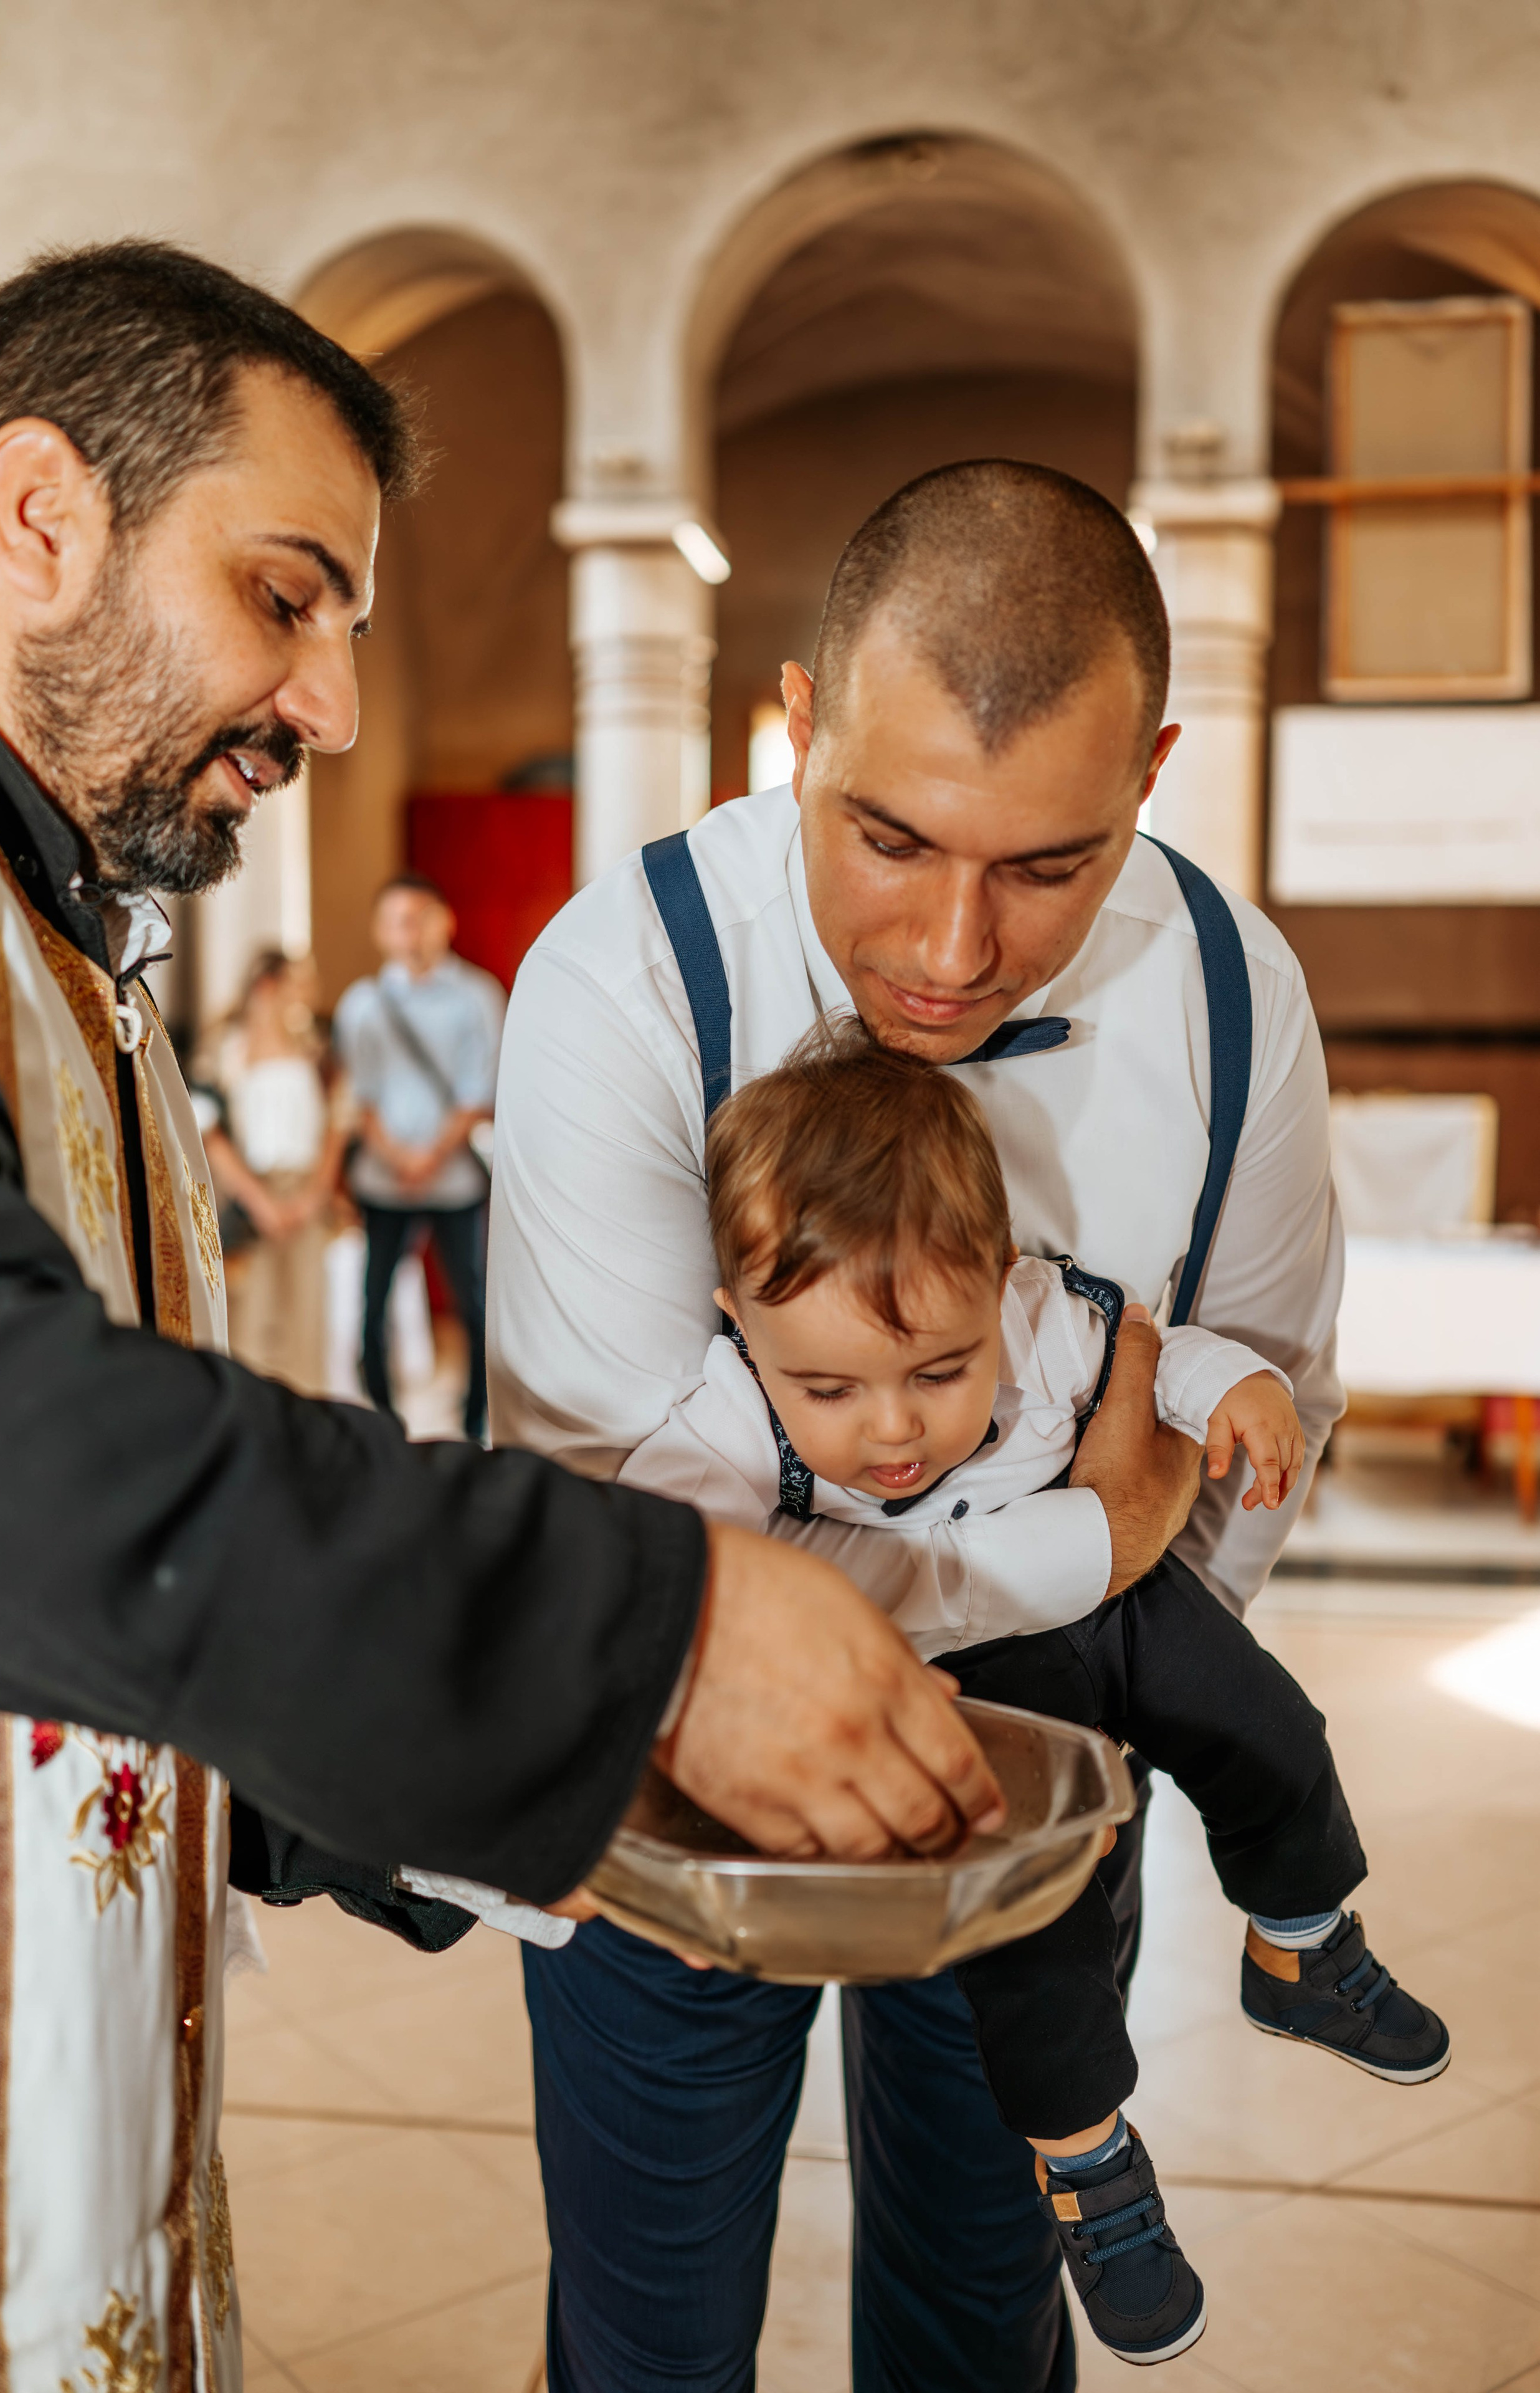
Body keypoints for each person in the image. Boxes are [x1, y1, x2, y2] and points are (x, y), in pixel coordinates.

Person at [0, 242, 1005, 2387]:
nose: (331, 707)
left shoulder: (67, 945)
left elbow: (101, 1620)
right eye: (285, 596)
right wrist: (649, 1632)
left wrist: (575, 1799)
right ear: (43, 513)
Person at [488, 459, 1344, 2391]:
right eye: (886, 836)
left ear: (1151, 777)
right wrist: (1087, 1545)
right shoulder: (621, 988)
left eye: (1049, 863)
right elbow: (641, 1550)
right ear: (796, 731)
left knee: (978, 2311)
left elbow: (1258, 1406)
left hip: (1033, 1782)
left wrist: (1094, 1639)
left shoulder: (1232, 990)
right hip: (669, 1792)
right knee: (649, 2338)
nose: (952, 946)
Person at [623, 1028, 1448, 2368]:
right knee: (1042, 1923)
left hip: (1115, 1603)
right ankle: (1088, 2166)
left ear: (998, 1291)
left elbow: (1155, 1350)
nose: (890, 1431)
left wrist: (1231, 1382)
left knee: (1267, 1728)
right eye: (827, 1388)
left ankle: (1299, 1943)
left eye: (939, 1373)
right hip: (974, 1678)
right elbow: (669, 1555)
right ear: (737, 1315)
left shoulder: (1042, 1312)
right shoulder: (721, 1421)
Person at [334, 871, 503, 1436]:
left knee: (476, 1302)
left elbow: (481, 1090)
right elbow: (360, 1096)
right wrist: (399, 1158)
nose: (406, 932)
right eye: (394, 922)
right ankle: (381, 1418)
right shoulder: (362, 1004)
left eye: (416, 918)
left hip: (453, 1176)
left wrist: (431, 1156)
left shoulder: (479, 996)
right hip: (384, 1177)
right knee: (372, 1302)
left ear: (444, 921)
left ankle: (477, 1417)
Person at [199, 947, 344, 1395]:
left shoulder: (315, 1048)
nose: (307, 993)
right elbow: (208, 1129)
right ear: (267, 987)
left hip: (305, 1195)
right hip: (249, 1198)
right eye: (297, 983)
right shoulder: (226, 1047)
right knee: (253, 1320)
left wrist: (314, 1193)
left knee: (306, 1316)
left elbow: (337, 1125)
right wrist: (258, 1201)